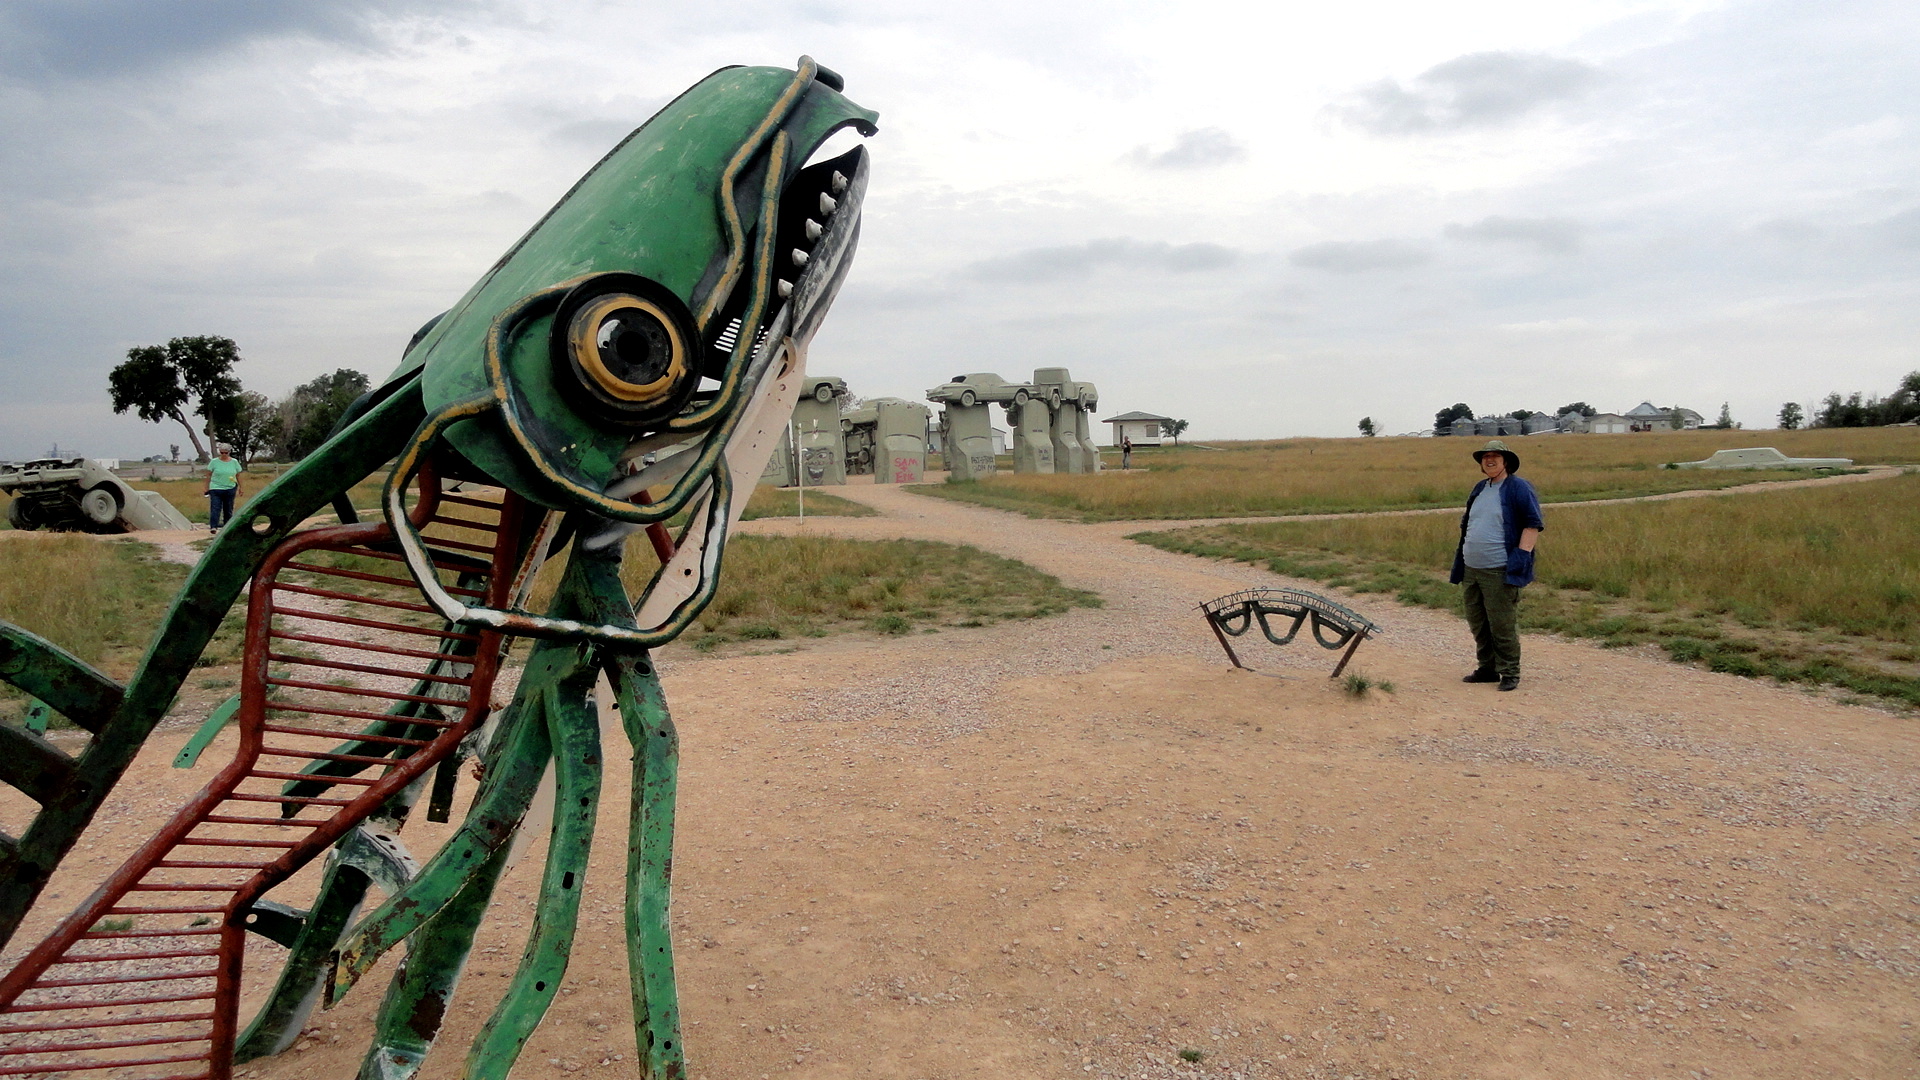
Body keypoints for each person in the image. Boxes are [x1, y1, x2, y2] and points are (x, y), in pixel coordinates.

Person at [1449, 439, 1544, 691]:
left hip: (1499, 568)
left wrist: (1520, 558)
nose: (1489, 460)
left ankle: (1510, 672)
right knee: (1478, 622)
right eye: (1485, 457)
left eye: (1495, 456)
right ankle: (1487, 668)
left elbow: (1532, 524)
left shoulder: (1518, 487)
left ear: (1506, 462)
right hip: (1471, 568)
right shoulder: (1480, 488)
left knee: (1502, 623)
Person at [205, 444, 242, 532]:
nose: (224, 454)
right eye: (222, 453)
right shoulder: (214, 462)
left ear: (229, 452)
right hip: (216, 488)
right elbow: (208, 475)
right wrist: (206, 487)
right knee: (215, 508)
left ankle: (227, 526)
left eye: (226, 453)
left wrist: (241, 487)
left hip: (230, 488)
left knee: (228, 508)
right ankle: (213, 526)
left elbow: (238, 475)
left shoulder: (234, 462)